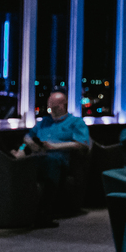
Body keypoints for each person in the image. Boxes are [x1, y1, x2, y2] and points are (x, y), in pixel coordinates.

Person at [15, 91, 91, 225]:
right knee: (23, 162)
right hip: (38, 156)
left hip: (60, 160)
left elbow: (83, 144)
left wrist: (54, 146)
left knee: (51, 163)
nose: (51, 111)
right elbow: (27, 136)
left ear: (63, 105)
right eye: (50, 108)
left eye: (55, 107)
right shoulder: (44, 122)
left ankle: (45, 212)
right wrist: (28, 145)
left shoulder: (75, 122)